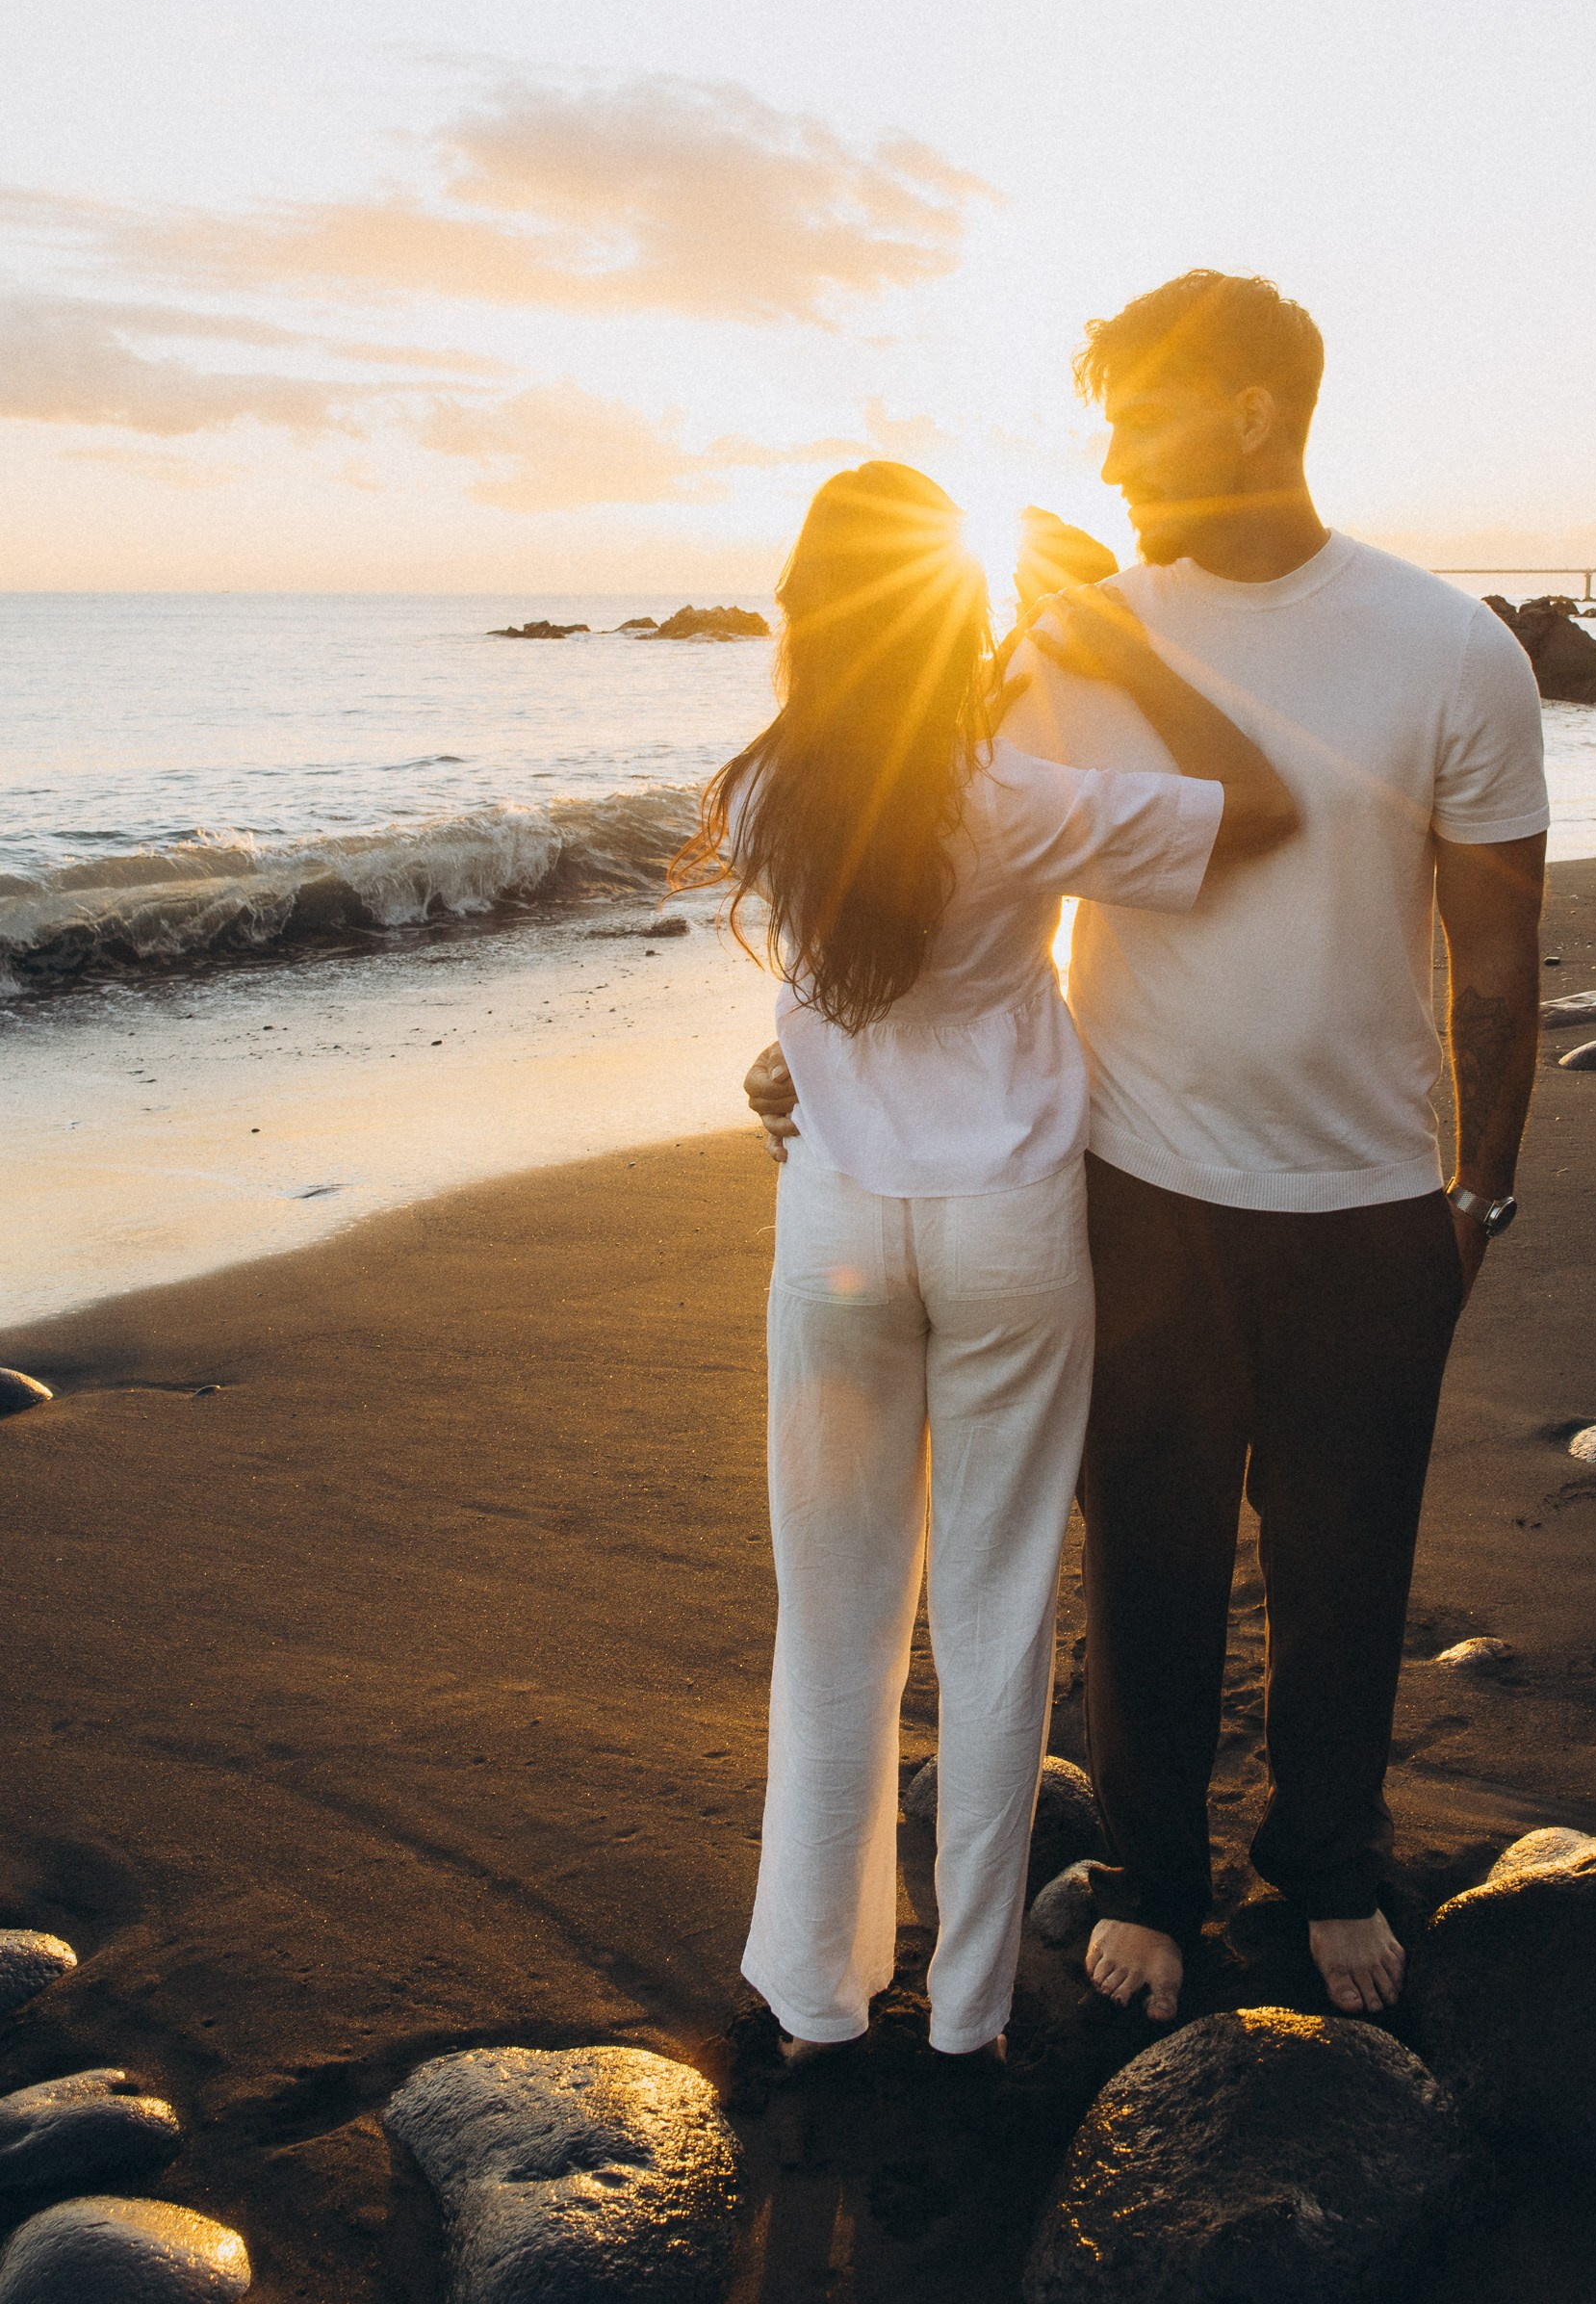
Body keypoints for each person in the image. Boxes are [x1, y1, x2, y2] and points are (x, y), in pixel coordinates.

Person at [745, 273, 1549, 2027]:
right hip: (1132, 1173)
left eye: (1135, 412)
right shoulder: (1065, 630)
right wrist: (813, 1041)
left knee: (1349, 1550)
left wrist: (1480, 1185)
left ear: (1253, 410)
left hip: (1363, 1188)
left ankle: (1329, 1855)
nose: (1105, 453)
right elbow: (942, 874)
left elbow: (1500, 959)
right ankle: (1153, 1874)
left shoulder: (1448, 645)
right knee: (1150, 1546)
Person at [675, 457, 1299, 2064]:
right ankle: (960, 2010)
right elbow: (1269, 808)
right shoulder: (1009, 789)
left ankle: (815, 1992)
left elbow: (815, 999)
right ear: (954, 615)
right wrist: (1117, 647)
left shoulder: (761, 791)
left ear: (804, 612)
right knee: (1000, 1605)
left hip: (837, 1227)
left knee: (834, 1616)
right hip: (1013, 1220)